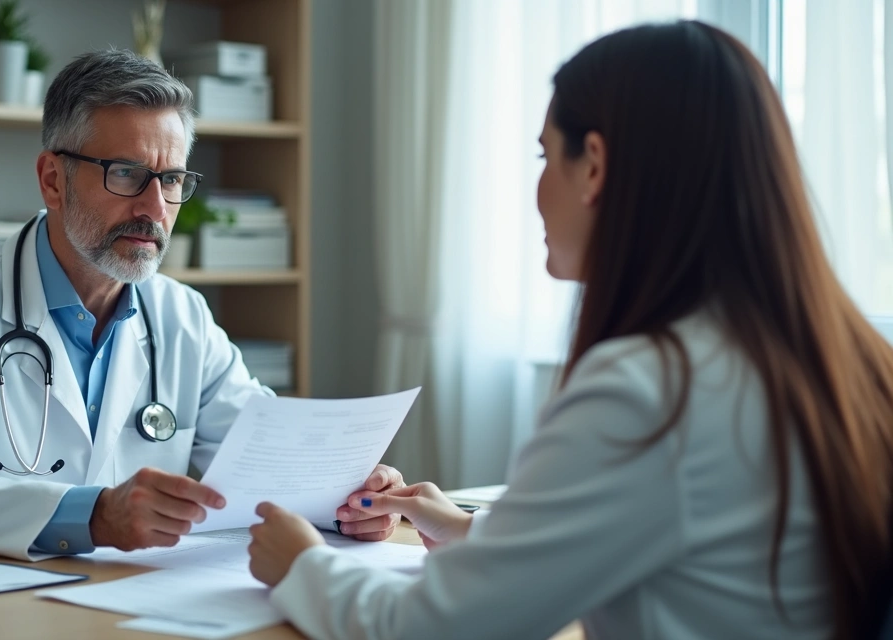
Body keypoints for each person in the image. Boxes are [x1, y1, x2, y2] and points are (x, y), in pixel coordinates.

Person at [247, 21, 893, 640]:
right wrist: (474, 532)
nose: (537, 186)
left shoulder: (649, 393)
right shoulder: (848, 358)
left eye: (544, 154)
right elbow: (672, 527)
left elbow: (430, 628)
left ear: (595, 166)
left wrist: (302, 562)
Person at [0, 49, 403, 560]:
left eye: (170, 180)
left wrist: (350, 501)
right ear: (53, 179)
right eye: (126, 174)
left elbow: (265, 462)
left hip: (129, 604)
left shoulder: (182, 317)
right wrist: (94, 517)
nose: (153, 207)